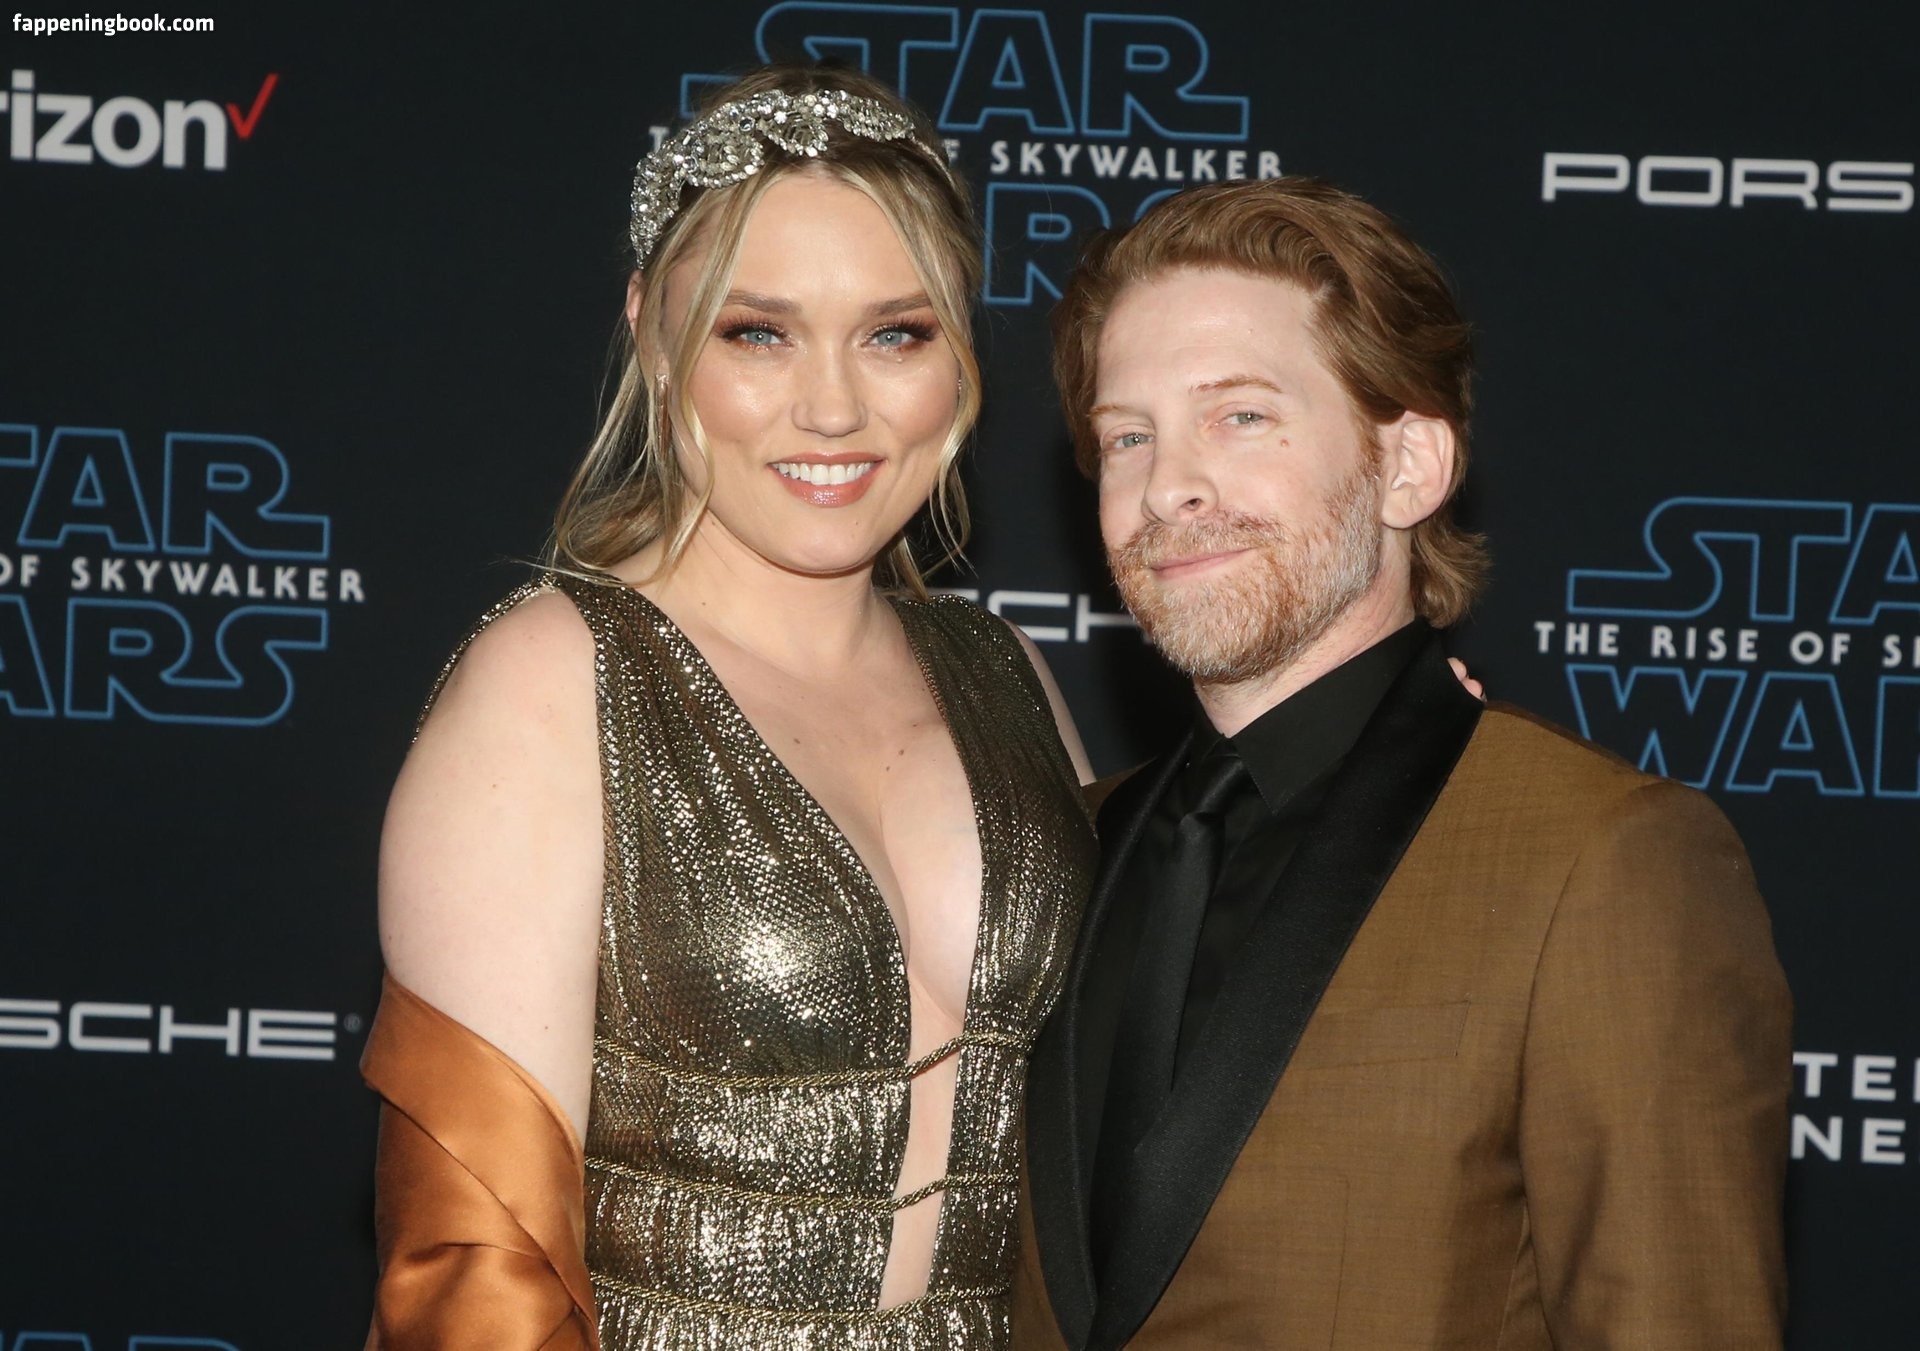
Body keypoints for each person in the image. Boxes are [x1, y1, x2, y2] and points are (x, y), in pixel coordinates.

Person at [361, 64, 1098, 1348]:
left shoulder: (1006, 674)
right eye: (759, 333)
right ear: (653, 334)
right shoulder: (553, 685)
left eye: (896, 333)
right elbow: (475, 1267)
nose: (834, 407)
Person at [1010, 178, 1792, 1350]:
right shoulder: (1065, 846)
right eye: (1129, 436)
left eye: (1241, 416)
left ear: (1410, 466)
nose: (1167, 485)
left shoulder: (1601, 861)